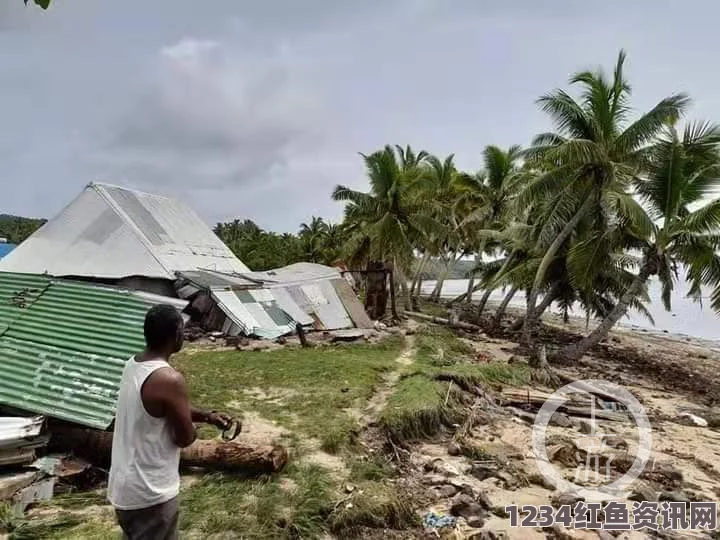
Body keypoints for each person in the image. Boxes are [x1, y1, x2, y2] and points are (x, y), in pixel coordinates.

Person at [108, 304, 232, 540]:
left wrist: (207, 415)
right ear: (176, 334)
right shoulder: (170, 379)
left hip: (125, 488)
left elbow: (157, 408)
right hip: (151, 493)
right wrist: (191, 427)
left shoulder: (133, 365)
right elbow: (185, 438)